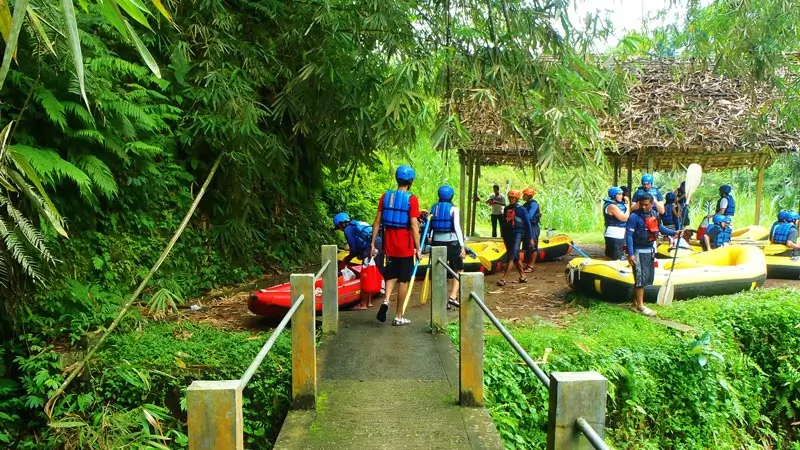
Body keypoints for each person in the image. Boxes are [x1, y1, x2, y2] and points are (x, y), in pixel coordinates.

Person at [370, 165, 421, 326]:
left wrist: (372, 243)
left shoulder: (385, 196)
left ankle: (386, 300)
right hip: (405, 245)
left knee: (391, 275)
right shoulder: (411, 199)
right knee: (403, 280)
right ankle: (398, 316)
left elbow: (377, 222)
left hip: (390, 244)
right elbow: (414, 225)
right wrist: (418, 248)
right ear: (410, 181)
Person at [625, 193, 682, 317]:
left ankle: (635, 304)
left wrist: (674, 233)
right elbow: (628, 235)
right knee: (640, 279)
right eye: (641, 204)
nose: (643, 207)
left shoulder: (654, 214)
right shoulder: (634, 217)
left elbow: (660, 227)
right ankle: (640, 306)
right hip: (638, 251)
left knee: (645, 278)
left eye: (646, 205)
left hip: (650, 250)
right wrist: (631, 254)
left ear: (651, 204)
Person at [427, 185, 466, 309]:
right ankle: (452, 297)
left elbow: (430, 227)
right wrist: (462, 246)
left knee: (440, 271)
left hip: (436, 242)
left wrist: (430, 238)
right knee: (458, 269)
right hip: (452, 243)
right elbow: (457, 228)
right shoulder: (453, 209)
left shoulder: (434, 208)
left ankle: (442, 300)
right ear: (451, 196)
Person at [333, 212, 382, 309]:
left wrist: (347, 259)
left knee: (365, 275)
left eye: (339, 227)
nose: (340, 229)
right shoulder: (356, 223)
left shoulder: (348, 229)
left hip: (370, 248)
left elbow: (354, 249)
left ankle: (363, 304)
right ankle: (369, 301)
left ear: (341, 223)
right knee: (372, 272)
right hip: (378, 244)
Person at [497, 189, 534, 286]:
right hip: (508, 235)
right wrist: (503, 234)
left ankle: (504, 278)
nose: (511, 199)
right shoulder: (506, 209)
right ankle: (523, 276)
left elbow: (528, 224)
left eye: (513, 198)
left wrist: (531, 238)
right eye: (509, 197)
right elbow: (504, 224)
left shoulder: (522, 209)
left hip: (517, 234)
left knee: (512, 255)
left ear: (517, 198)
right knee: (516, 256)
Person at [602, 187, 630, 260]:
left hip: (619, 233)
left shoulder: (616, 204)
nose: (621, 196)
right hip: (614, 234)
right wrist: (628, 205)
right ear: (614, 196)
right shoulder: (612, 206)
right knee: (615, 257)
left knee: (619, 255)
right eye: (619, 194)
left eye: (621, 194)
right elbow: (624, 218)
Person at [521, 187, 542, 272]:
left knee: (533, 246)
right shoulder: (526, 204)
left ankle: (531, 266)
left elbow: (530, 216)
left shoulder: (533, 204)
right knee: (526, 246)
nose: (523, 196)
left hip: (533, 227)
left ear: (528, 195)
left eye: (524, 195)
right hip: (527, 227)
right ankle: (527, 264)